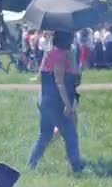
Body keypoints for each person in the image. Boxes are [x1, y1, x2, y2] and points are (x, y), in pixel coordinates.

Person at [27, 31, 85, 173]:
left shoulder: (51, 52)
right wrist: (67, 104)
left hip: (45, 99)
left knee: (45, 134)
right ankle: (76, 167)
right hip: (56, 102)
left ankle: (30, 165)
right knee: (70, 134)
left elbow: (43, 75)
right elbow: (59, 82)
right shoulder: (59, 55)